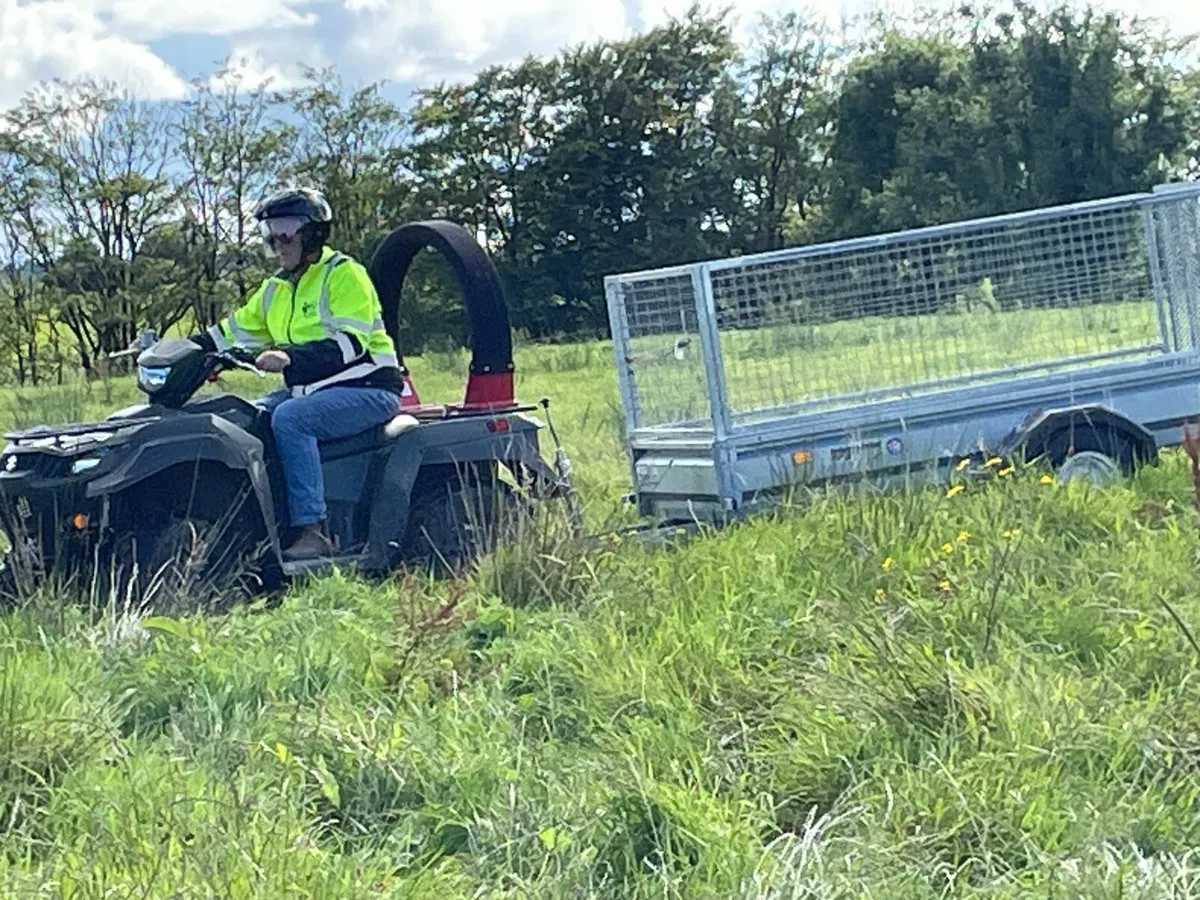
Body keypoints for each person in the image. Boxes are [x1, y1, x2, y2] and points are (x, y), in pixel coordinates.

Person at [190, 187, 405, 561]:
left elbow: (351, 344)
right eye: (270, 234)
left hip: (368, 388)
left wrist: (289, 358)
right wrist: (185, 349)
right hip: (311, 390)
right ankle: (262, 525)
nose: (277, 243)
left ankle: (313, 530)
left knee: (291, 419)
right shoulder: (276, 288)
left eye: (285, 232)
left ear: (313, 233)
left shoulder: (344, 274)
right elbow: (230, 331)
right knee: (246, 416)